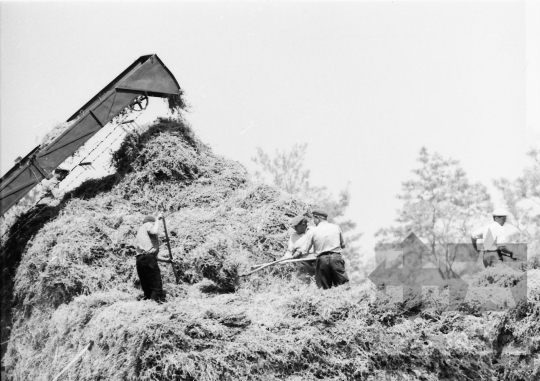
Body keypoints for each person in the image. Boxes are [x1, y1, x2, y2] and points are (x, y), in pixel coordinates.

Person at [292, 207, 349, 289]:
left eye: (314, 219)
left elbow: (304, 250)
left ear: (318, 218)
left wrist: (297, 253)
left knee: (324, 287)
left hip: (322, 260)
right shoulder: (336, 227)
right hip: (336, 258)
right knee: (343, 285)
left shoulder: (313, 231)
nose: (313, 222)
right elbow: (343, 245)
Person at [135, 213, 172, 302]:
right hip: (148, 259)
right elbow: (154, 231)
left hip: (140, 260)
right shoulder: (148, 225)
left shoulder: (140, 233)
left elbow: (151, 255)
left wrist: (167, 260)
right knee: (156, 285)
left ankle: (148, 302)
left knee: (147, 286)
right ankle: (154, 304)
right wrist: (157, 220)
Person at [282, 215, 316, 284]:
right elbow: (289, 252)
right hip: (303, 262)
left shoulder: (314, 231)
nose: (294, 228)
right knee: (302, 280)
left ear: (303, 224)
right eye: (293, 226)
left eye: (296, 226)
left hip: (317, 260)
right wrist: (283, 259)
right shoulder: (293, 237)